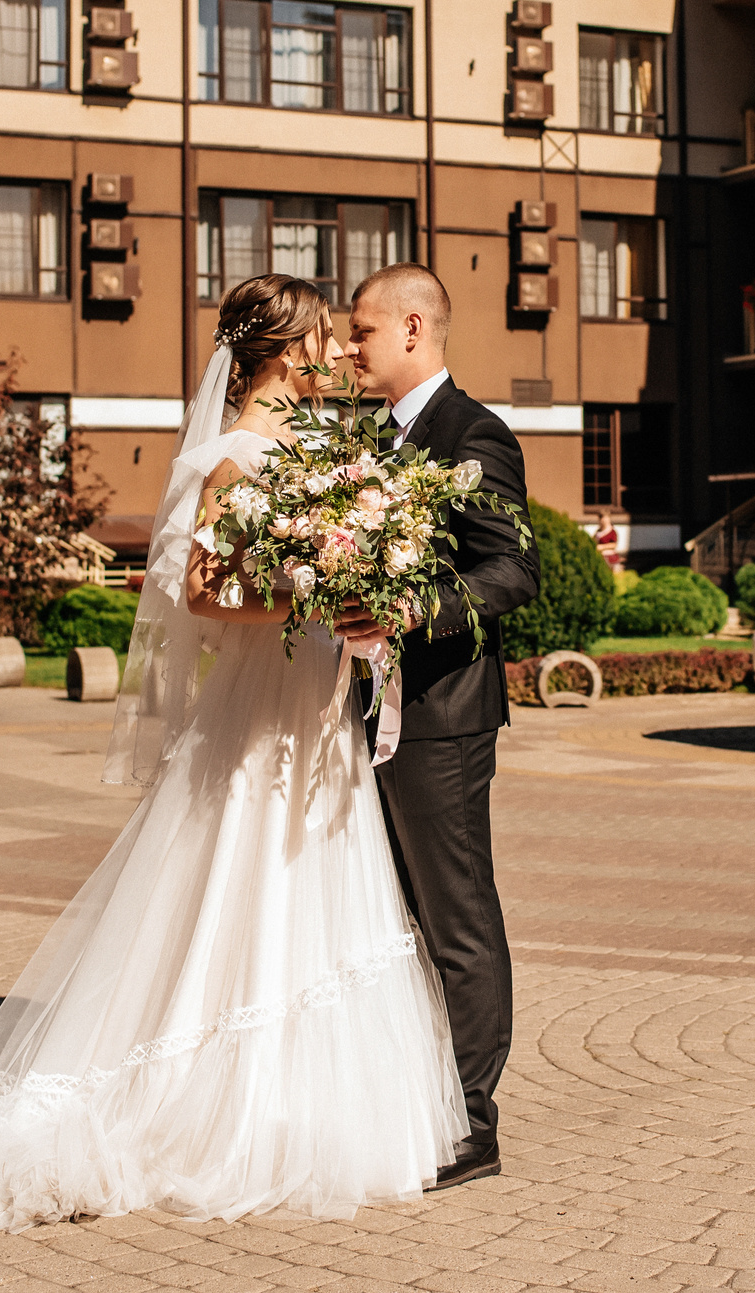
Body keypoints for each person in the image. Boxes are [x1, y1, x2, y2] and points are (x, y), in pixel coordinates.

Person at [0, 274, 466, 1231]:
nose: (336, 354)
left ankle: (310, 1109)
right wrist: (310, 591)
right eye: (324, 338)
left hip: (313, 717)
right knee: (245, 891)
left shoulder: (310, 452)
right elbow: (205, 594)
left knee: (318, 892)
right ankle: (219, 1109)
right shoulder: (236, 456)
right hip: (261, 714)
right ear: (287, 352)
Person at [337, 264, 540, 1191]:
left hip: (443, 716)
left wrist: (409, 611)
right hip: (373, 710)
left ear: (413, 328)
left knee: (457, 917)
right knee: (402, 918)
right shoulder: (368, 441)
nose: (349, 348)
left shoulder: (476, 435)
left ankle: (473, 1121)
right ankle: (418, 1092)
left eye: (361, 333)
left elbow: (511, 572)